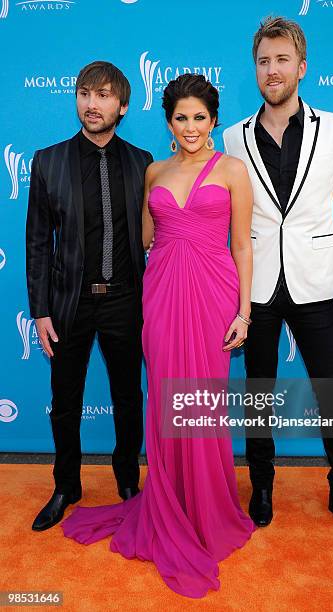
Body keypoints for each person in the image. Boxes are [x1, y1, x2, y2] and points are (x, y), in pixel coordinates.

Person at [62, 74, 255, 598]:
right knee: (168, 398)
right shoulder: (154, 170)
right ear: (167, 121)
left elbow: (242, 246)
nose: (190, 127)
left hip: (215, 294)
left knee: (204, 401)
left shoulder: (234, 170)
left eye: (199, 116)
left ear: (213, 120)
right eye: (180, 117)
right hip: (163, 292)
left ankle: (206, 507)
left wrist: (244, 312)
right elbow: (147, 238)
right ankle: (169, 500)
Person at [223, 16, 333, 541]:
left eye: (281, 60)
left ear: (302, 66)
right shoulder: (232, 136)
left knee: (331, 393)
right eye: (263, 61)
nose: (272, 71)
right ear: (255, 69)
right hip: (258, 285)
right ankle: (263, 487)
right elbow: (226, 216)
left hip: (317, 281)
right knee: (258, 394)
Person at [26, 61, 152, 532]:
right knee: (65, 399)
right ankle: (66, 486)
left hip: (125, 300)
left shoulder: (143, 164)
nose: (91, 104)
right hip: (68, 303)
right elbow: (38, 242)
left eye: (102, 95)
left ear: (122, 105)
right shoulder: (47, 161)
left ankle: (127, 482)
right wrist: (40, 310)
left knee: (127, 397)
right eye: (84, 93)